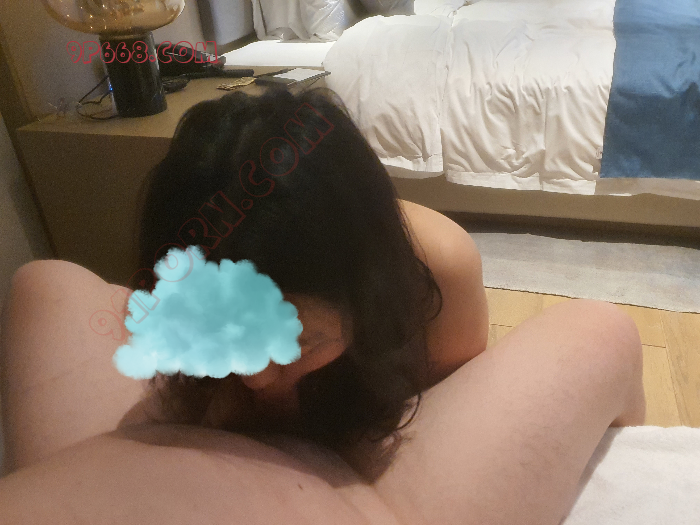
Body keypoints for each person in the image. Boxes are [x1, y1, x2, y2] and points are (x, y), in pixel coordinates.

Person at [0, 87, 646, 525]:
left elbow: (451, 411)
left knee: (600, 332)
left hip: (360, 455)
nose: (257, 376)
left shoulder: (435, 272)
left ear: (367, 296)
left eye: (298, 340)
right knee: (44, 280)